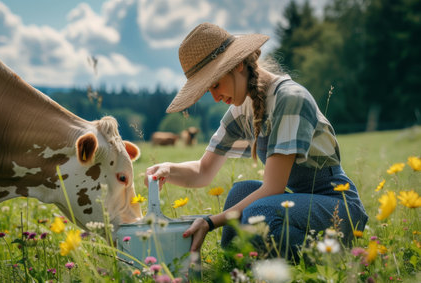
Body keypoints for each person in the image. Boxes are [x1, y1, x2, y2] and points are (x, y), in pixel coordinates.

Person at [144, 22, 368, 260]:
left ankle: (339, 254)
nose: (216, 97)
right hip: (296, 201)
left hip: (336, 207)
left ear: (238, 64)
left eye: (215, 84)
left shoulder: (290, 99)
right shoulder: (242, 108)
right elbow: (203, 171)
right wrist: (168, 169)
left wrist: (209, 223)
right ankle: (237, 262)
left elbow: (273, 189)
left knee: (259, 211)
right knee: (240, 193)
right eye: (207, 90)